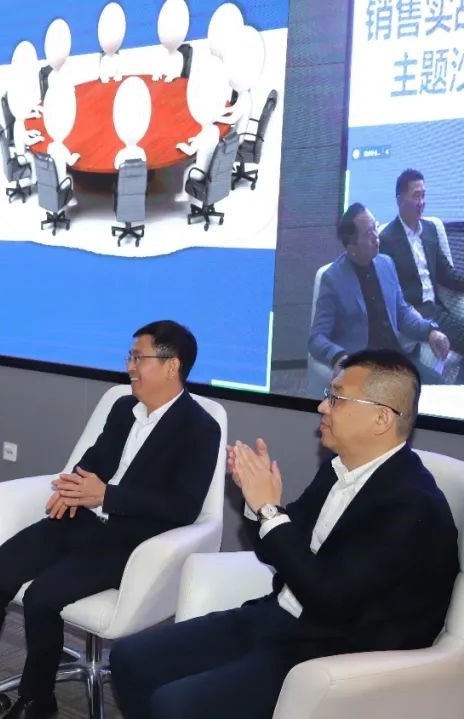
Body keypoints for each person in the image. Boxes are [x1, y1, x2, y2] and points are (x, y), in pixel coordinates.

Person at [110, 349, 459, 719]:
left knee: (174, 704)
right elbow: (280, 549)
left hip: (333, 650)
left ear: (381, 418)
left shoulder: (411, 505)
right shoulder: (339, 470)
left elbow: (329, 598)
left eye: (337, 399)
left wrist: (270, 511)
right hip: (280, 618)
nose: (322, 407)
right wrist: (257, 503)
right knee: (131, 658)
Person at [0, 320, 221, 719]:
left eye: (137, 358)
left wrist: (107, 496)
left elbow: (182, 506)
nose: (129, 367)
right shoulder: (123, 408)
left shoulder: (200, 428)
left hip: (132, 542)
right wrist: (72, 485)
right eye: (129, 357)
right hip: (81, 519)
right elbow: (95, 460)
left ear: (171, 365)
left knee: (42, 597)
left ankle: (38, 701)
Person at [309, 203, 450, 383]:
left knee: (440, 387)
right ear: (352, 248)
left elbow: (402, 313)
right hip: (364, 369)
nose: (376, 237)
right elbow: (317, 338)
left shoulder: (386, 264)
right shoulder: (333, 279)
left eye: (375, 227)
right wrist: (337, 356)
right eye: (369, 233)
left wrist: (430, 331)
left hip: (397, 361)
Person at [377, 168, 464, 353]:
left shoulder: (430, 229)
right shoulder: (386, 240)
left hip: (437, 308)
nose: (421, 202)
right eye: (416, 196)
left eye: (423, 195)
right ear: (399, 200)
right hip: (415, 313)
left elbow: (447, 274)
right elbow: (391, 294)